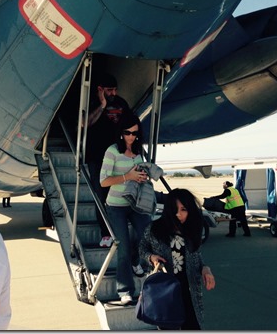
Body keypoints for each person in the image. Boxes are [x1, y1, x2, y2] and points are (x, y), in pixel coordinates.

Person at [139, 188, 216, 330]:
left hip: (189, 289)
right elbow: (142, 249)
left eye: (183, 209)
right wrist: (151, 257)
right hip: (165, 289)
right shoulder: (154, 229)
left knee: (193, 326)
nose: (178, 214)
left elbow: (197, 256)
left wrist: (206, 269)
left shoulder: (192, 229)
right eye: (174, 209)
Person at [100, 113, 152, 304]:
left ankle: (136, 260)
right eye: (127, 132)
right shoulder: (112, 151)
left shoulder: (139, 152)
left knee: (147, 235)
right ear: (121, 133)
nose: (131, 136)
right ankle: (125, 291)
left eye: (135, 133)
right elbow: (103, 181)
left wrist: (142, 176)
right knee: (122, 247)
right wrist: (127, 177)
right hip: (116, 206)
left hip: (136, 203)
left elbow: (140, 173)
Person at [86, 73, 131, 248]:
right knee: (101, 194)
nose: (113, 93)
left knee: (120, 193)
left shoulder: (121, 103)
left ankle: (120, 230)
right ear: (100, 90)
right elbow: (85, 124)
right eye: (109, 90)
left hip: (118, 156)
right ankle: (106, 234)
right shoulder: (91, 103)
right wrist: (102, 106)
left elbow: (131, 124)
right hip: (97, 157)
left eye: (114, 90)